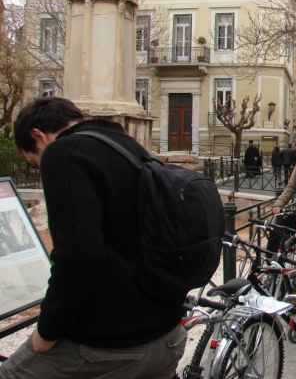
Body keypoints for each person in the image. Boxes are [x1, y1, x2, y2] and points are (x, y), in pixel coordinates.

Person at [3, 97, 186, 378]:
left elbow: (79, 256)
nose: (40, 167)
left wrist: (47, 330)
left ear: (37, 135)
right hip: (167, 333)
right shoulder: (129, 146)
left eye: (35, 160)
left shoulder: (63, 151)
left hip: (110, 343)